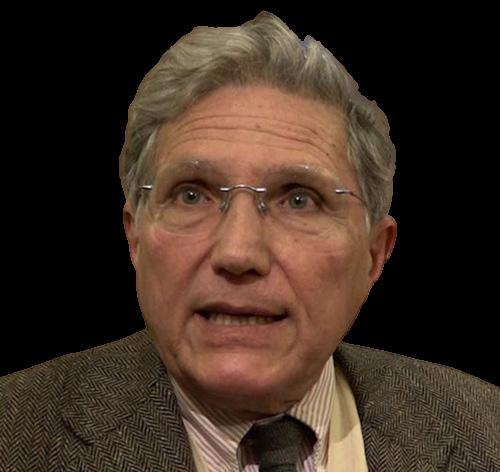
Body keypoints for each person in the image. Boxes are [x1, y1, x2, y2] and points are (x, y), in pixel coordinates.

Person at [1, 11, 498, 472]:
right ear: (135, 235)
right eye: (192, 195)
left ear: (374, 253)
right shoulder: (13, 431)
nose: (237, 253)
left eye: (299, 200)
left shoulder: (486, 429)